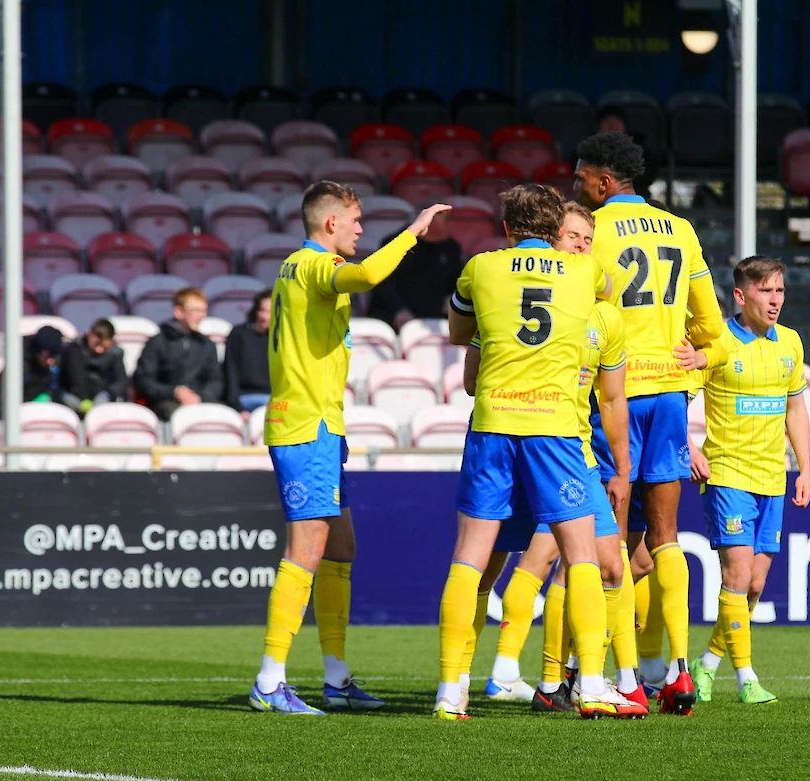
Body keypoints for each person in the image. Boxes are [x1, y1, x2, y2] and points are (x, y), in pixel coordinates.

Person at [249, 182, 448, 715]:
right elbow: (365, 276)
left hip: (321, 427)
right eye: (357, 220)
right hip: (305, 427)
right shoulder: (313, 263)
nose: (362, 230)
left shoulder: (297, 267)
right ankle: (270, 681)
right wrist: (412, 234)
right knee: (306, 552)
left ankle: (335, 678)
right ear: (331, 223)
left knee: (341, 548)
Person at [435, 184, 619, 721]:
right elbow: (608, 292)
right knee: (581, 554)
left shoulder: (481, 267)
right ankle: (589, 683)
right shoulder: (584, 272)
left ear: (508, 225)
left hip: (493, 423)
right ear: (556, 227)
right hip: (556, 429)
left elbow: (457, 332)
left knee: (470, 557)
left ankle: (452, 689)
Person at [575, 130, 726, 714]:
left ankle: (629, 677)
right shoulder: (681, 230)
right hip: (668, 396)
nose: (576, 185)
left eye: (583, 176)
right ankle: (681, 674)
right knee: (665, 537)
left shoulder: (592, 234)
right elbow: (711, 328)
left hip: (614, 396)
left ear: (605, 182)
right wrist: (688, 353)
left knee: (607, 541)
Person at [688, 257, 810, 705]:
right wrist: (691, 446)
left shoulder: (791, 343)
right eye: (765, 291)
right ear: (741, 296)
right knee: (737, 573)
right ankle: (746, 680)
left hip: (772, 476)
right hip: (727, 474)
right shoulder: (717, 341)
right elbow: (680, 397)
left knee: (755, 585)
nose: (775, 300)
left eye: (779, 290)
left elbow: (795, 410)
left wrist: (805, 467)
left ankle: (705, 667)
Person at [134, 288, 223, 422]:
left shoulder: (207, 345)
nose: (201, 316)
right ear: (179, 312)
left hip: (201, 402)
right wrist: (174, 392)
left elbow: (215, 381)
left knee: (223, 415)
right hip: (165, 404)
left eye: (204, 310)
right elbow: (144, 381)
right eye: (196, 310)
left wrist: (199, 397)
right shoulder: (157, 342)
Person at [366, 209, 463, 329]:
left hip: (434, 319)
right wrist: (399, 309)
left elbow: (455, 281)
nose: (452, 224)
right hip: (393, 317)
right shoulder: (397, 242)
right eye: (447, 219)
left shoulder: (451, 247)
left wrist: (451, 297)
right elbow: (382, 282)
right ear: (428, 219)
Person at [58, 318, 128, 413]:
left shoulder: (115, 354)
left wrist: (107, 394)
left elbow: (120, 381)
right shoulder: (74, 350)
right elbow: (74, 377)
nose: (99, 350)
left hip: (105, 402)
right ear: (89, 334)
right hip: (76, 399)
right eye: (96, 344)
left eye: (104, 347)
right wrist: (83, 399)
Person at [224, 289, 272, 414]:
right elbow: (230, 370)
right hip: (245, 398)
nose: (265, 317)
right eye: (263, 310)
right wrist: (237, 407)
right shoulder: (238, 334)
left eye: (271, 312)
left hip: (274, 400)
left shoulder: (281, 338)